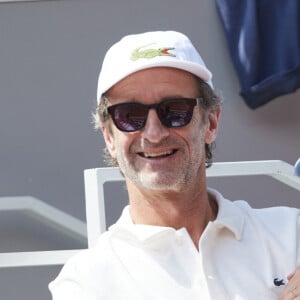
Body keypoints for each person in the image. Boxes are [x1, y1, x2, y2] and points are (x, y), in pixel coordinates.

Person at [49, 31, 300, 299]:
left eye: (175, 110)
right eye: (129, 116)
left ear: (211, 123)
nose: (154, 133)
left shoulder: (292, 232)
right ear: (109, 136)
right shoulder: (86, 282)